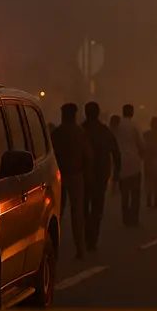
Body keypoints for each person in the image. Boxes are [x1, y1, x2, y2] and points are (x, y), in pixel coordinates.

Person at [50, 104, 93, 258]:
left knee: (56, 213)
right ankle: (80, 248)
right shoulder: (80, 133)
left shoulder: (57, 133)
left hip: (59, 177)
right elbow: (88, 155)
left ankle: (53, 249)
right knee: (77, 213)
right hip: (76, 175)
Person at [81, 101, 120, 252]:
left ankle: (86, 235)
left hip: (84, 174)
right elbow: (116, 153)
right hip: (100, 175)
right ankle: (92, 238)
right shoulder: (104, 131)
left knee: (84, 207)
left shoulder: (81, 130)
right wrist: (116, 174)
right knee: (97, 207)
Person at [113, 104, 145, 226]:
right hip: (134, 162)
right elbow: (141, 144)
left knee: (125, 193)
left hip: (122, 163)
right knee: (135, 193)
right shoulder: (135, 125)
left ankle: (126, 218)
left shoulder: (118, 126)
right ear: (131, 113)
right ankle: (134, 218)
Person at [143, 117, 157, 209]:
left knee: (148, 180)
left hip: (148, 159)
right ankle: (156, 200)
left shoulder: (146, 134)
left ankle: (149, 199)